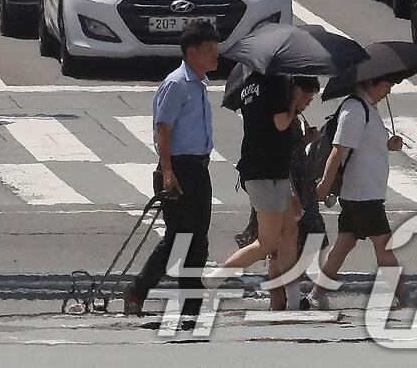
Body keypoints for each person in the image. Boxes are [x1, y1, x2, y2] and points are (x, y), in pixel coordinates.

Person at [124, 21, 221, 318]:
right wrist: (168, 173)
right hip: (178, 169)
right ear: (192, 52)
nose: (216, 56)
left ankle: (190, 302)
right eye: (210, 51)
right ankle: (138, 290)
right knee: (178, 239)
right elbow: (162, 130)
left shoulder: (199, 84)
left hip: (199, 169)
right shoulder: (176, 84)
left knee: (198, 239)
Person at [218, 75, 321, 310]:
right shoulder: (273, 85)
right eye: (308, 96)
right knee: (268, 242)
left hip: (273, 171)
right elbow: (280, 123)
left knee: (288, 235)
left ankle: (292, 299)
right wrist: (293, 101)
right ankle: (213, 278)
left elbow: (275, 135)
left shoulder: (252, 84)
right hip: (265, 172)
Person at [305, 76, 406, 310]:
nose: (387, 92)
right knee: (384, 246)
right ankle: (404, 297)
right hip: (363, 194)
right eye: (386, 86)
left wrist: (388, 144)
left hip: (365, 191)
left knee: (344, 243)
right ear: (372, 83)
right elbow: (338, 152)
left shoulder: (368, 108)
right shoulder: (354, 110)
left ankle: (317, 292)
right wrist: (324, 185)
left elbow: (366, 145)